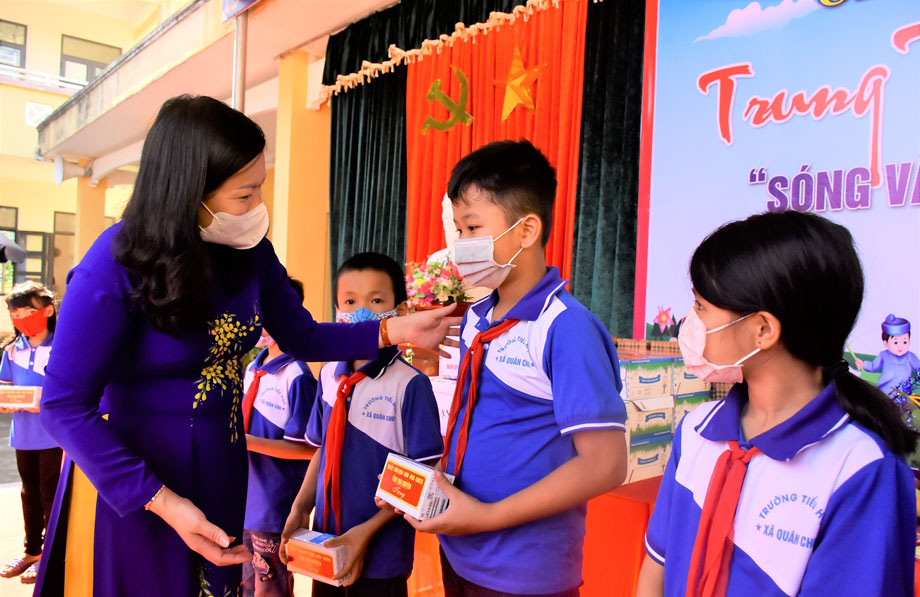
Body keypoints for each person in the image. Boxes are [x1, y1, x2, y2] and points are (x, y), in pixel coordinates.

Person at [33, 95, 459, 597]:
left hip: (221, 464)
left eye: (260, 187)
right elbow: (62, 406)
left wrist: (393, 331)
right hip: (135, 482)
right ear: (190, 192)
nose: (258, 206)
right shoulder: (114, 265)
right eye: (245, 193)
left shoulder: (248, 252)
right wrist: (163, 501)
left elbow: (302, 335)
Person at [636, 211, 918, 597]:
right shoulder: (697, 430)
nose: (690, 322)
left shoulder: (862, 469)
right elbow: (656, 569)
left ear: (763, 329)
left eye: (701, 307)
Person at [398, 140, 628, 596]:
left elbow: (605, 466)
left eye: (473, 228)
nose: (460, 245)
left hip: (524, 570)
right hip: (460, 552)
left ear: (526, 231)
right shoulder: (477, 319)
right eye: (458, 230)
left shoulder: (566, 328)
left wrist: (487, 517)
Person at [281, 252, 443, 596]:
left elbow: (421, 475)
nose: (361, 312)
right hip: (326, 545)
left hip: (381, 555)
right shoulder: (328, 375)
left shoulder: (410, 384)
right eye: (350, 302)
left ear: (401, 312)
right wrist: (300, 507)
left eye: (376, 301)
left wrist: (364, 533)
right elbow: (322, 450)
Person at [241, 276, 318, 597]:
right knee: (245, 584)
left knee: (270, 586)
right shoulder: (253, 368)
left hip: (273, 505)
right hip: (243, 499)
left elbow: (307, 449)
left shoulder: (297, 376)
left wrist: (245, 441)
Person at [0, 281, 62, 585]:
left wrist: (45, 400)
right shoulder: (12, 351)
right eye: (15, 315)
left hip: (54, 436)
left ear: (47, 311)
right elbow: (5, 386)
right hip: (22, 435)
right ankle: (32, 551)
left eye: (28, 312)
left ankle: (50, 553)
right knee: (29, 493)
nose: (22, 319)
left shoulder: (62, 347)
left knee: (50, 494)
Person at [855, 314, 920, 406]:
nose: (900, 346)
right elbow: (874, 367)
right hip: (885, 390)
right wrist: (863, 365)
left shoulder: (911, 356)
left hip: (903, 392)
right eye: (896, 342)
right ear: (886, 343)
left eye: (905, 342)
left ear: (909, 342)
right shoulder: (883, 355)